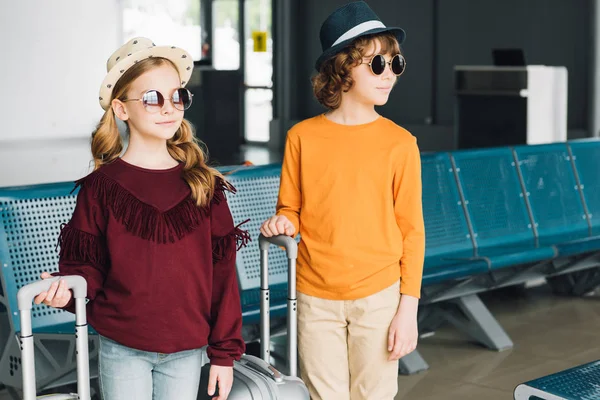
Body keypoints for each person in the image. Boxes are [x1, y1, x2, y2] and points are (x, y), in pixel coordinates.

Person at [33, 37, 248, 400]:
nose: (169, 108)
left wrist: (224, 355)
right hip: (122, 346)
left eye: (177, 96)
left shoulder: (203, 185)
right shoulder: (102, 187)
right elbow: (87, 267)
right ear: (121, 109)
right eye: (152, 98)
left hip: (187, 347)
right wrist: (67, 290)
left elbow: (223, 277)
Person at [260, 2, 425, 399]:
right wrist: (284, 223)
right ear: (342, 68)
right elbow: (292, 209)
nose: (390, 75)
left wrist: (408, 309)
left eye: (395, 64)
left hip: (379, 297)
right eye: (377, 64)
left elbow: (412, 232)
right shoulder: (302, 137)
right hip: (315, 297)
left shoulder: (400, 144)